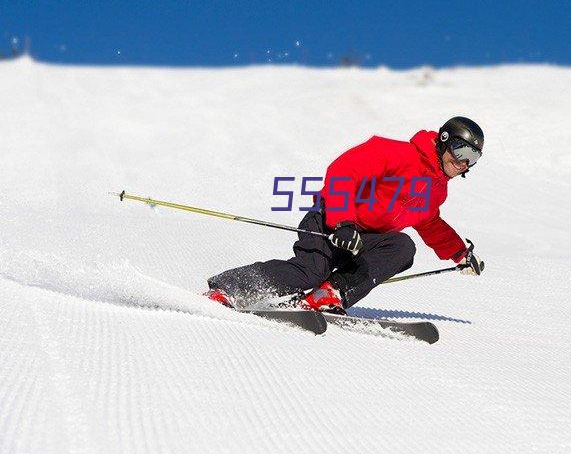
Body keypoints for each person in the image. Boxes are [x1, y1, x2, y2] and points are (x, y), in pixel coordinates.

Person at [204, 116, 485, 313]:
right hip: (331, 223)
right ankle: (228, 289)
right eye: (460, 151)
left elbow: (430, 224)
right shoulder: (398, 153)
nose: (463, 162)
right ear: (444, 141)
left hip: (365, 240)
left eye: (472, 158)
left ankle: (330, 294)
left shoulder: (437, 190)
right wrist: (342, 221)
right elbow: (344, 171)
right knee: (309, 272)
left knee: (402, 247)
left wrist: (460, 253)